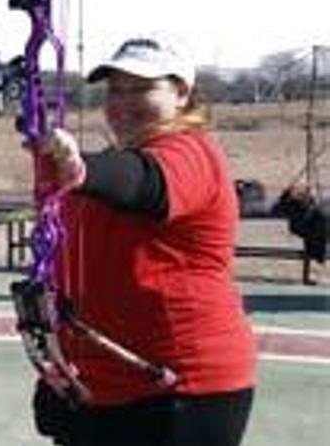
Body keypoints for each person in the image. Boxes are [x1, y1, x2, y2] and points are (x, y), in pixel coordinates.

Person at [35, 35, 256, 445]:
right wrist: (58, 365)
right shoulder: (113, 163)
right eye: (116, 90)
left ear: (182, 93)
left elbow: (146, 183)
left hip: (183, 387)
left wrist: (79, 169)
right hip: (104, 384)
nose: (123, 102)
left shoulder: (190, 152)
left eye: (142, 88)